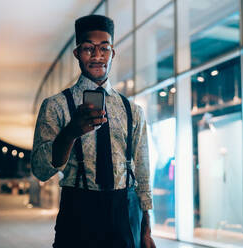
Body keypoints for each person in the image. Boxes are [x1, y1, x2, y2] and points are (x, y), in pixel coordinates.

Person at [31, 14, 155, 248]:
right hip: (78, 212)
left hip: (125, 213)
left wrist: (146, 230)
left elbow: (142, 171)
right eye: (89, 48)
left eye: (104, 48)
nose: (97, 56)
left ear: (112, 53)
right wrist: (70, 133)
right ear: (77, 53)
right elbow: (39, 169)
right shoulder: (55, 105)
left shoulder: (132, 110)